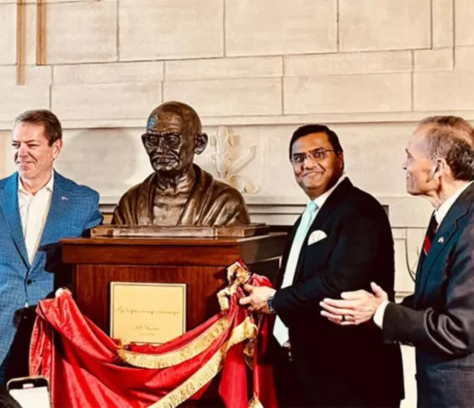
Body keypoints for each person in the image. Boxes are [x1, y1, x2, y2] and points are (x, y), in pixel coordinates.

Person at [239, 124, 404, 407]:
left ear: (339, 158)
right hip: (305, 372)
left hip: (351, 377)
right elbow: (298, 278)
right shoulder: (309, 214)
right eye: (298, 158)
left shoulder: (359, 209)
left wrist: (275, 300)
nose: (308, 164)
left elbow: (339, 283)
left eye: (318, 154)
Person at [321, 116, 474, 407]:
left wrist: (382, 312)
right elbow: (437, 301)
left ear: (438, 167)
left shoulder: (471, 224)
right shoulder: (450, 216)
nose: (405, 165)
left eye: (410, 156)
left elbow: (459, 330)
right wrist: (372, 313)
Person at [0, 109, 103, 385]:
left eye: (32, 144)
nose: (22, 153)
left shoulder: (83, 201)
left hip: (51, 331)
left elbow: (90, 269)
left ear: (56, 147)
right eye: (16, 144)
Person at [112, 101, 250, 226]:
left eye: (172, 139)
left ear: (199, 143)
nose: (160, 149)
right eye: (153, 140)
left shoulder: (225, 202)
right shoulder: (130, 203)